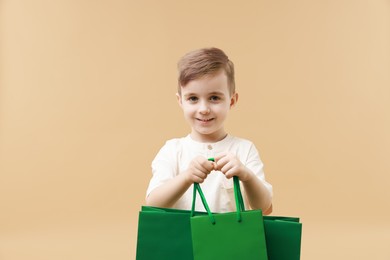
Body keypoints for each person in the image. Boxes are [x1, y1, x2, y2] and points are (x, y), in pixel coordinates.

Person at [145, 47, 273, 214]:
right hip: (184, 239)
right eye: (193, 98)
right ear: (181, 101)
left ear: (232, 101)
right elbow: (153, 204)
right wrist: (186, 176)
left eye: (214, 98)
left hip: (231, 239)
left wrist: (246, 175)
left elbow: (264, 208)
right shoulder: (172, 150)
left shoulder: (244, 150)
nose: (204, 109)